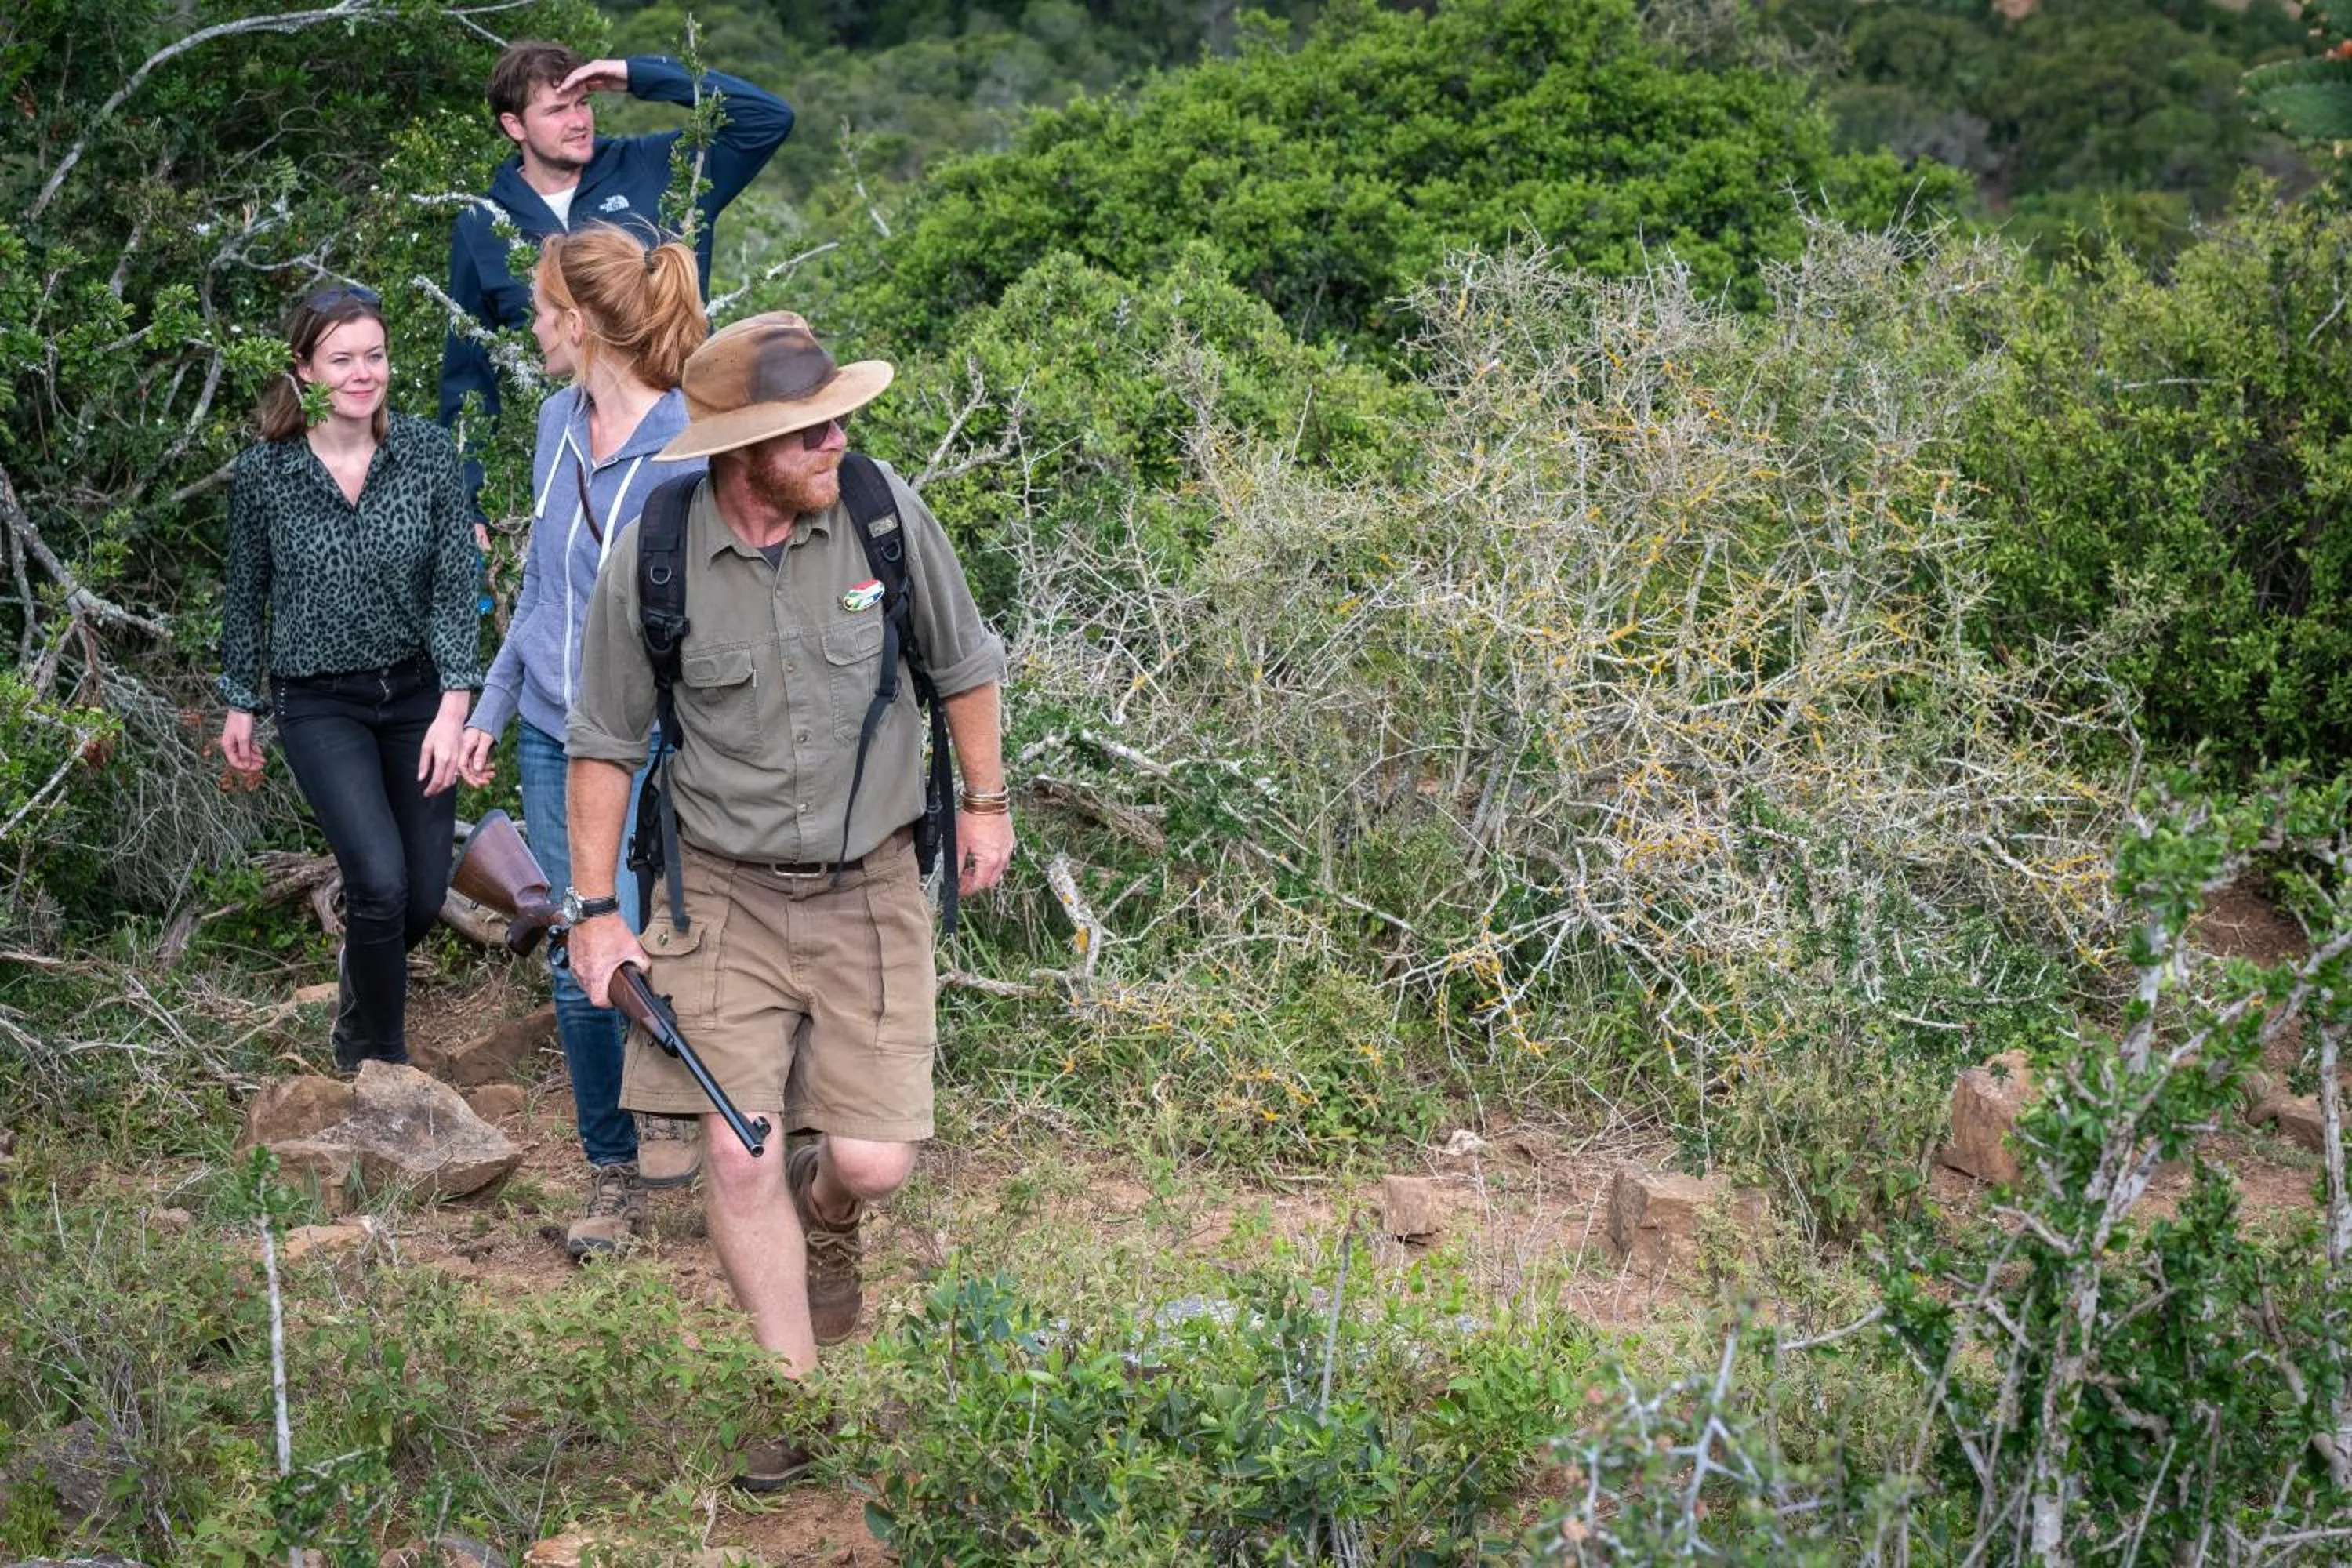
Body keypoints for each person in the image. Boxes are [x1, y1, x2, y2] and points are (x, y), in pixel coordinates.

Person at [563, 314, 1014, 1490]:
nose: (838, 439)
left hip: (871, 881)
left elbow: (962, 662)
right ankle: (793, 1400)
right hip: (720, 891)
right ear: (744, 448)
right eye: (812, 428)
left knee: (869, 1162)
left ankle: (835, 1219)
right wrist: (593, 909)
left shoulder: (875, 509)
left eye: (836, 418)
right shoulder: (653, 552)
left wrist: (987, 801)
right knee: (739, 1145)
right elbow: (605, 741)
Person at [456, 225, 711, 1255]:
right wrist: (487, 713)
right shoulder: (556, 421)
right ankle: (616, 1177)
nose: (531, 325)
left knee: (674, 945)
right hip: (557, 737)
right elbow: (541, 592)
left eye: (541, 308)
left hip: (660, 744)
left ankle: (720, 1133)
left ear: (582, 322)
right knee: (580, 957)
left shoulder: (690, 437)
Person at [218, 284, 483, 1071]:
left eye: (375, 355)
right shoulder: (266, 472)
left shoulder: (429, 454)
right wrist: (239, 700)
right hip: (319, 701)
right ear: (303, 369)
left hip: (418, 696)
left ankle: (359, 989)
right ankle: (381, 1061)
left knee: (424, 893)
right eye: (342, 359)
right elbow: (245, 590)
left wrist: (456, 704)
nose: (364, 374)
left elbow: (454, 587)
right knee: (377, 878)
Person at [437, 40, 792, 436]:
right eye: (556, 110)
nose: (577, 121)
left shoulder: (652, 166)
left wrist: (635, 75)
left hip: (689, 429)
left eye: (582, 103)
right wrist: (469, 489)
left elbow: (769, 119)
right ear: (514, 125)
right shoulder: (483, 222)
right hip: (569, 448)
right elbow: (467, 376)